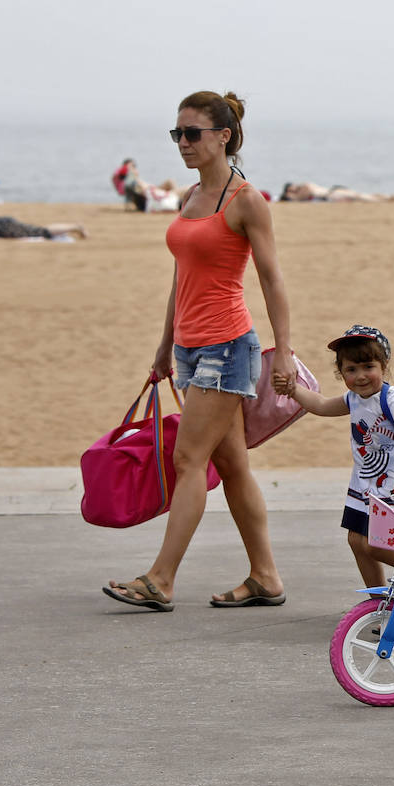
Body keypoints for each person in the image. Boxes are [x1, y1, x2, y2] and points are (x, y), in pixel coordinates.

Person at [103, 90, 295, 612]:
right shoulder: (190, 196)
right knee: (232, 465)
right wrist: (165, 345)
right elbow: (180, 277)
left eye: (192, 133)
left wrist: (287, 353)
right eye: (177, 134)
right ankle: (266, 577)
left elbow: (272, 279)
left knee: (188, 458)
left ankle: (160, 580)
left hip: (228, 346)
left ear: (224, 136)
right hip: (189, 348)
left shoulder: (246, 201)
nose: (183, 143)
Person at [272, 325, 394, 589]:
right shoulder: (352, 399)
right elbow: (320, 405)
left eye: (368, 367)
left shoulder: (390, 398)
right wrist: (293, 390)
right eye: (351, 370)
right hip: (362, 485)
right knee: (356, 542)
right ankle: (377, 602)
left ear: (383, 365)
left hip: (392, 486)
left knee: (375, 546)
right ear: (341, 372)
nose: (361, 376)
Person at [279, 181, 394, 203]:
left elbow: (300, 198)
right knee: (359, 195)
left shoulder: (304, 187)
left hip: (331, 194)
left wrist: (290, 196)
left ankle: (384, 198)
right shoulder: (305, 186)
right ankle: (386, 197)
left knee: (359, 196)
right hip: (332, 191)